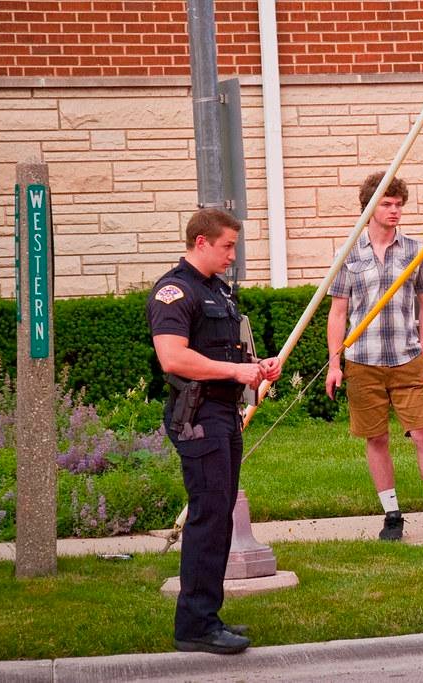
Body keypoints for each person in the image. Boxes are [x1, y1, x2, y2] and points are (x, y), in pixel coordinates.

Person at [147, 208, 282, 655]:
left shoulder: (216, 292)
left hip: (222, 414)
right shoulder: (175, 291)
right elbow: (173, 358)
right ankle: (195, 625)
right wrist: (237, 371)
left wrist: (257, 368)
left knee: (218, 516)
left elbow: (227, 353)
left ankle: (207, 615)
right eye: (226, 246)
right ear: (201, 242)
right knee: (207, 519)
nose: (232, 255)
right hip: (199, 417)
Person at [325, 172, 423, 543]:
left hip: (406, 359)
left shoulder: (415, 250)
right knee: (376, 438)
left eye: (398, 204)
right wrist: (335, 364)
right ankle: (392, 516)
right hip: (363, 361)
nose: (394, 210)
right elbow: (338, 312)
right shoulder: (349, 252)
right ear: (369, 208)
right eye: (386, 204)